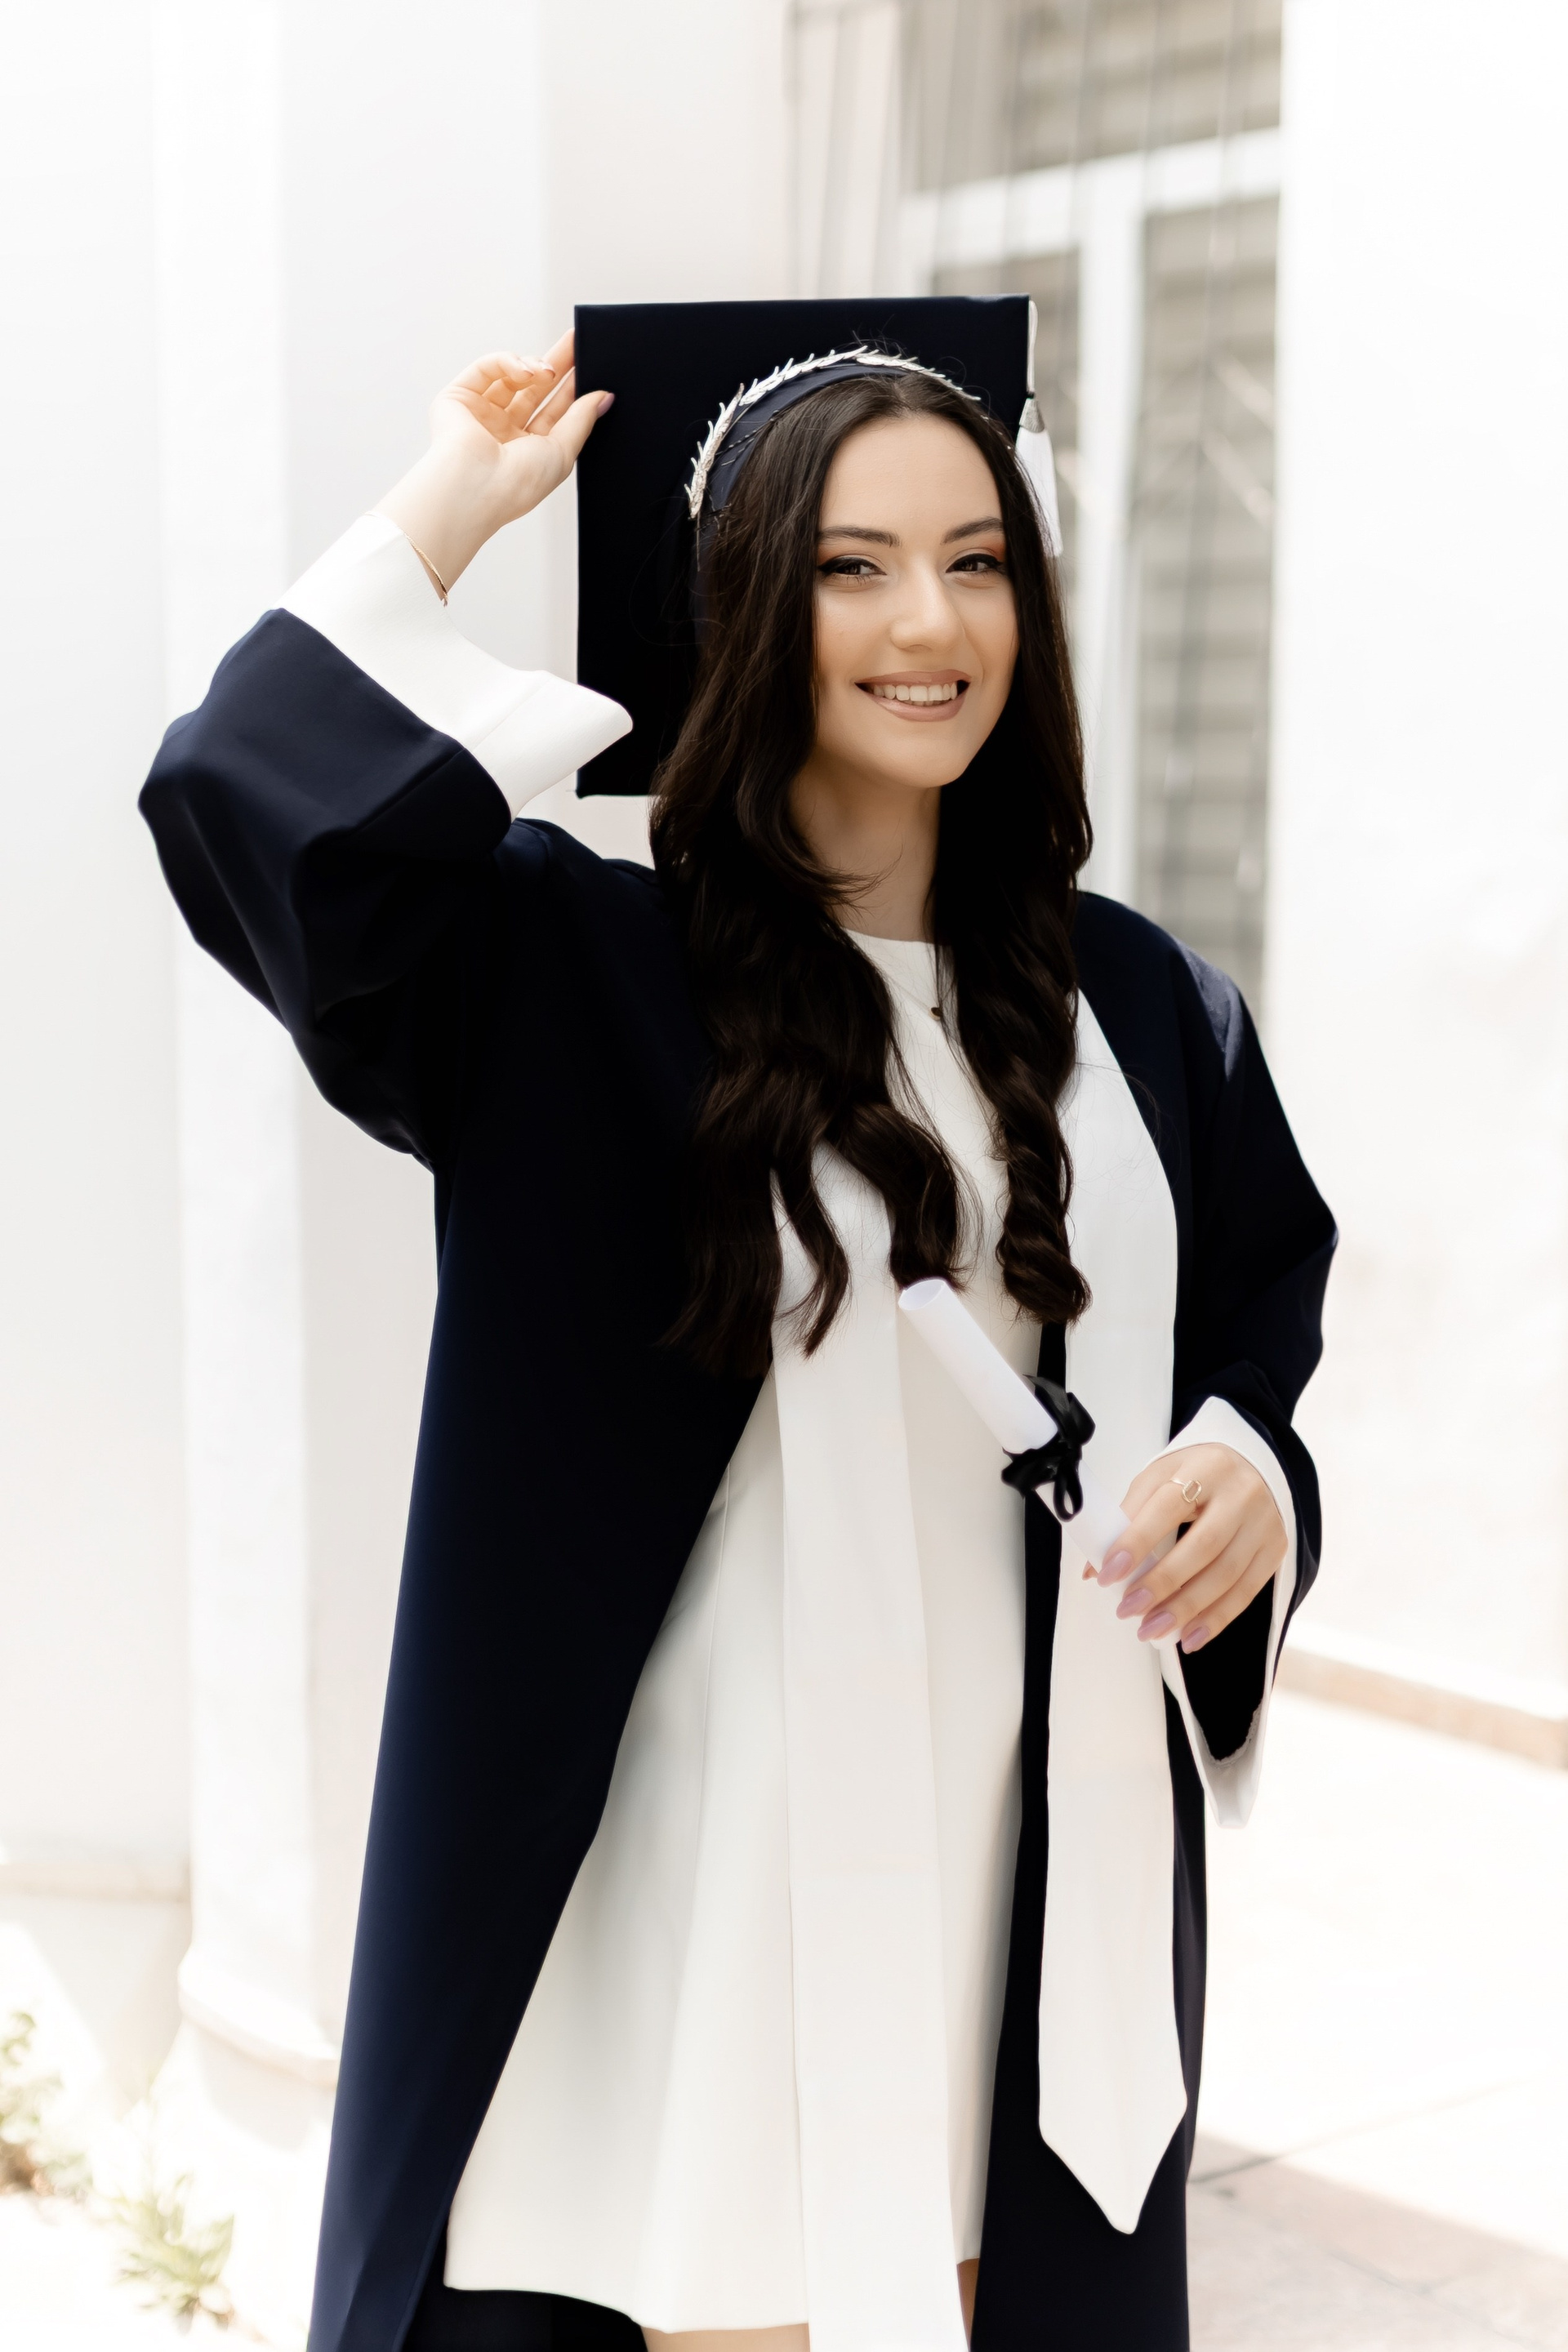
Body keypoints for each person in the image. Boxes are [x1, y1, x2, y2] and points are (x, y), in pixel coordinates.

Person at [140, 303, 1334, 2352]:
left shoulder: (1148, 1008)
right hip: (723, 1858)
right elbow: (246, 796)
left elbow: (1255, 1332)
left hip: (1034, 1859)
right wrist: (451, 504)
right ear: (753, 606)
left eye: (976, 560)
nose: (929, 622)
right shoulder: (582, 972)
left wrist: (1250, 1479)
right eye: (854, 566)